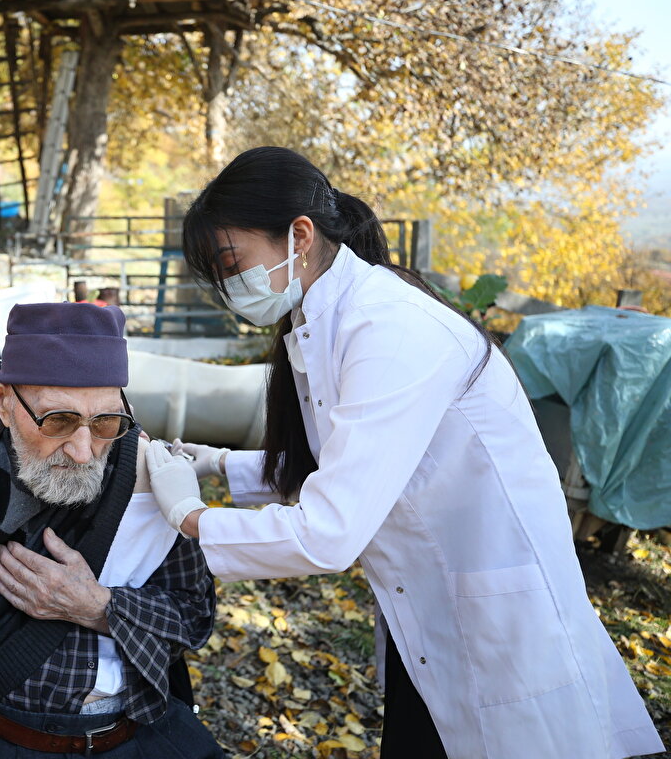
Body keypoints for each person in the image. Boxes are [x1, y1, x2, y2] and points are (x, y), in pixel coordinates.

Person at [144, 147, 664, 759]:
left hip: (497, 626)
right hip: (431, 614)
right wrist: (214, 463)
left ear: (300, 235)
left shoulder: (389, 326)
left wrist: (189, 518)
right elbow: (342, 467)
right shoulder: (324, 319)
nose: (231, 287)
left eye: (232, 262)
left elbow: (329, 532)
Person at [0, 303, 221, 759]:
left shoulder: (150, 472)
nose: (85, 451)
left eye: (105, 421)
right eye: (58, 421)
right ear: (3, 403)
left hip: (139, 731)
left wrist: (99, 607)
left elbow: (195, 615)